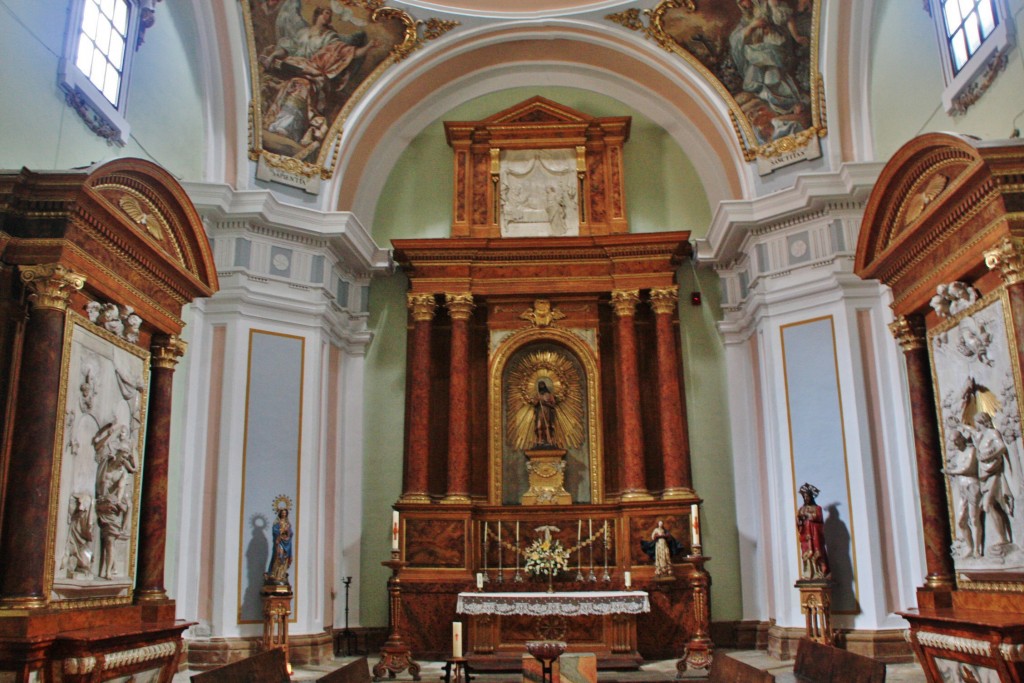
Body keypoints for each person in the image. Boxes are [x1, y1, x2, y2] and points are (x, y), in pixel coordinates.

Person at [969, 413, 1014, 548]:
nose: (975, 425)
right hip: (985, 474)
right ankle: (1003, 537)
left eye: (976, 422)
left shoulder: (992, 433)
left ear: (981, 421)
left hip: (994, 474)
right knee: (992, 505)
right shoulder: (981, 436)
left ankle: (1003, 538)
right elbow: (972, 431)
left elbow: (1002, 447)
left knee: (988, 504)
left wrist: (989, 456)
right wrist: (960, 425)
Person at [945, 430, 983, 557]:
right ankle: (970, 547)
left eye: (956, 440)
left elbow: (968, 468)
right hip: (962, 488)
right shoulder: (959, 454)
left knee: (974, 518)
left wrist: (951, 471)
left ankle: (977, 549)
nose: (955, 443)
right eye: (953, 441)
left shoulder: (971, 450)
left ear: (961, 438)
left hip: (972, 485)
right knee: (961, 521)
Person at [796, 483, 830, 580]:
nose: (806, 498)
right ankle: (808, 573)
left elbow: (818, 518)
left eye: (807, 496)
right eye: (804, 497)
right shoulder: (801, 509)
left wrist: (808, 516)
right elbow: (799, 522)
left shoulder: (817, 508)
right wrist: (799, 521)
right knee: (806, 553)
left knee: (817, 552)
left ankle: (820, 572)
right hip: (805, 535)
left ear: (811, 497)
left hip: (815, 534)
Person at [266, 506, 293, 585]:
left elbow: (291, 533)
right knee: (279, 556)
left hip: (287, 542)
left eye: (285, 513)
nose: (284, 514)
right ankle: (275, 574)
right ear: (280, 514)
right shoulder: (277, 523)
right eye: (282, 513)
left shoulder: (288, 524)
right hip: (280, 541)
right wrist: (281, 531)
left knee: (285, 558)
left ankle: (282, 575)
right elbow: (275, 531)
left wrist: (288, 531)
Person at [531, 380, 557, 447]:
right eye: (540, 385)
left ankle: (548, 440)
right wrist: (537, 400)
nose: (541, 386)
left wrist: (545, 403)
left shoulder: (549, 395)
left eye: (542, 385)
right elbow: (534, 404)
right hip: (539, 412)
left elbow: (553, 405)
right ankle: (540, 441)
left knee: (547, 426)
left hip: (547, 411)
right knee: (539, 426)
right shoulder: (538, 395)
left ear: (545, 385)